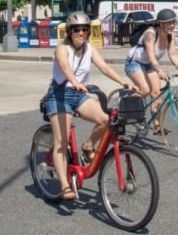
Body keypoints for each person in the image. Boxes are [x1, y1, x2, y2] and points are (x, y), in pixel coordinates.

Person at [44, 11, 135, 201]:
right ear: (69, 31)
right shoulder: (63, 48)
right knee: (61, 142)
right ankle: (64, 185)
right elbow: (64, 66)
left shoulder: (89, 49)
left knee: (105, 120)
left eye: (85, 29)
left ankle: (87, 146)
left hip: (79, 95)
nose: (81, 32)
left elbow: (105, 67)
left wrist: (124, 83)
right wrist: (74, 81)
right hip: (59, 95)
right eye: (77, 29)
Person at [124, 9, 178, 129]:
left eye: (173, 22)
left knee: (156, 95)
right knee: (145, 90)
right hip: (134, 63)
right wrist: (159, 70)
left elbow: (173, 54)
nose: (172, 25)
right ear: (160, 23)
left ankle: (157, 125)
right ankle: (124, 105)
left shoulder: (170, 36)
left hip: (149, 65)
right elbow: (151, 55)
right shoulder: (150, 34)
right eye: (169, 23)